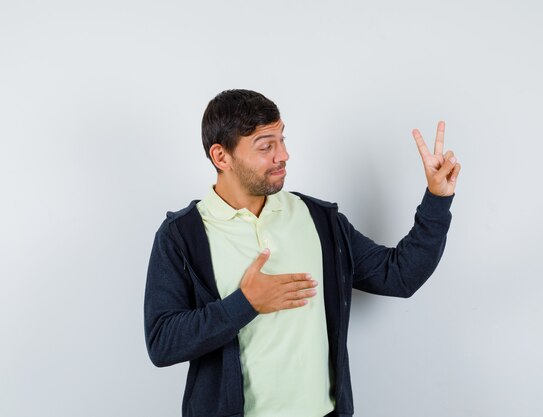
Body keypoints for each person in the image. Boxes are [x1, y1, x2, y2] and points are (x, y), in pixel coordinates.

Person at [144, 89, 461, 417]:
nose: (283, 155)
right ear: (221, 157)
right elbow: (162, 343)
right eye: (266, 146)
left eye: (282, 140)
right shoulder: (182, 235)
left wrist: (437, 199)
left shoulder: (319, 219)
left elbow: (398, 276)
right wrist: (245, 303)